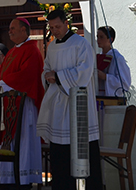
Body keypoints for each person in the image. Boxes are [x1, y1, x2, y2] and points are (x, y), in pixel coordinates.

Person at [37, 10, 102, 190]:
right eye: (52, 27)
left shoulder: (81, 44)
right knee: (59, 151)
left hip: (78, 104)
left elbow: (84, 72)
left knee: (82, 148)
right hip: (59, 104)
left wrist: (57, 77)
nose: (55, 30)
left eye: (58, 26)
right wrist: (48, 76)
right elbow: (46, 69)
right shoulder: (52, 47)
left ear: (66, 23)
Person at [0, 19, 44, 187]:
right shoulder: (14, 50)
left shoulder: (32, 51)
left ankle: (23, 179)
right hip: (9, 104)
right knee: (10, 140)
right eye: (9, 29)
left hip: (24, 105)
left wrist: (2, 83)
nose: (10, 32)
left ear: (23, 30)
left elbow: (27, 75)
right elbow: (3, 71)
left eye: (13, 29)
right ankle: (8, 179)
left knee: (23, 142)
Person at [96, 26, 132, 97]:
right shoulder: (97, 58)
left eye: (101, 37)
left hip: (111, 100)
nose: (98, 40)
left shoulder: (117, 58)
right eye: (97, 37)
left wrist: (106, 77)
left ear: (110, 40)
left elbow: (124, 83)